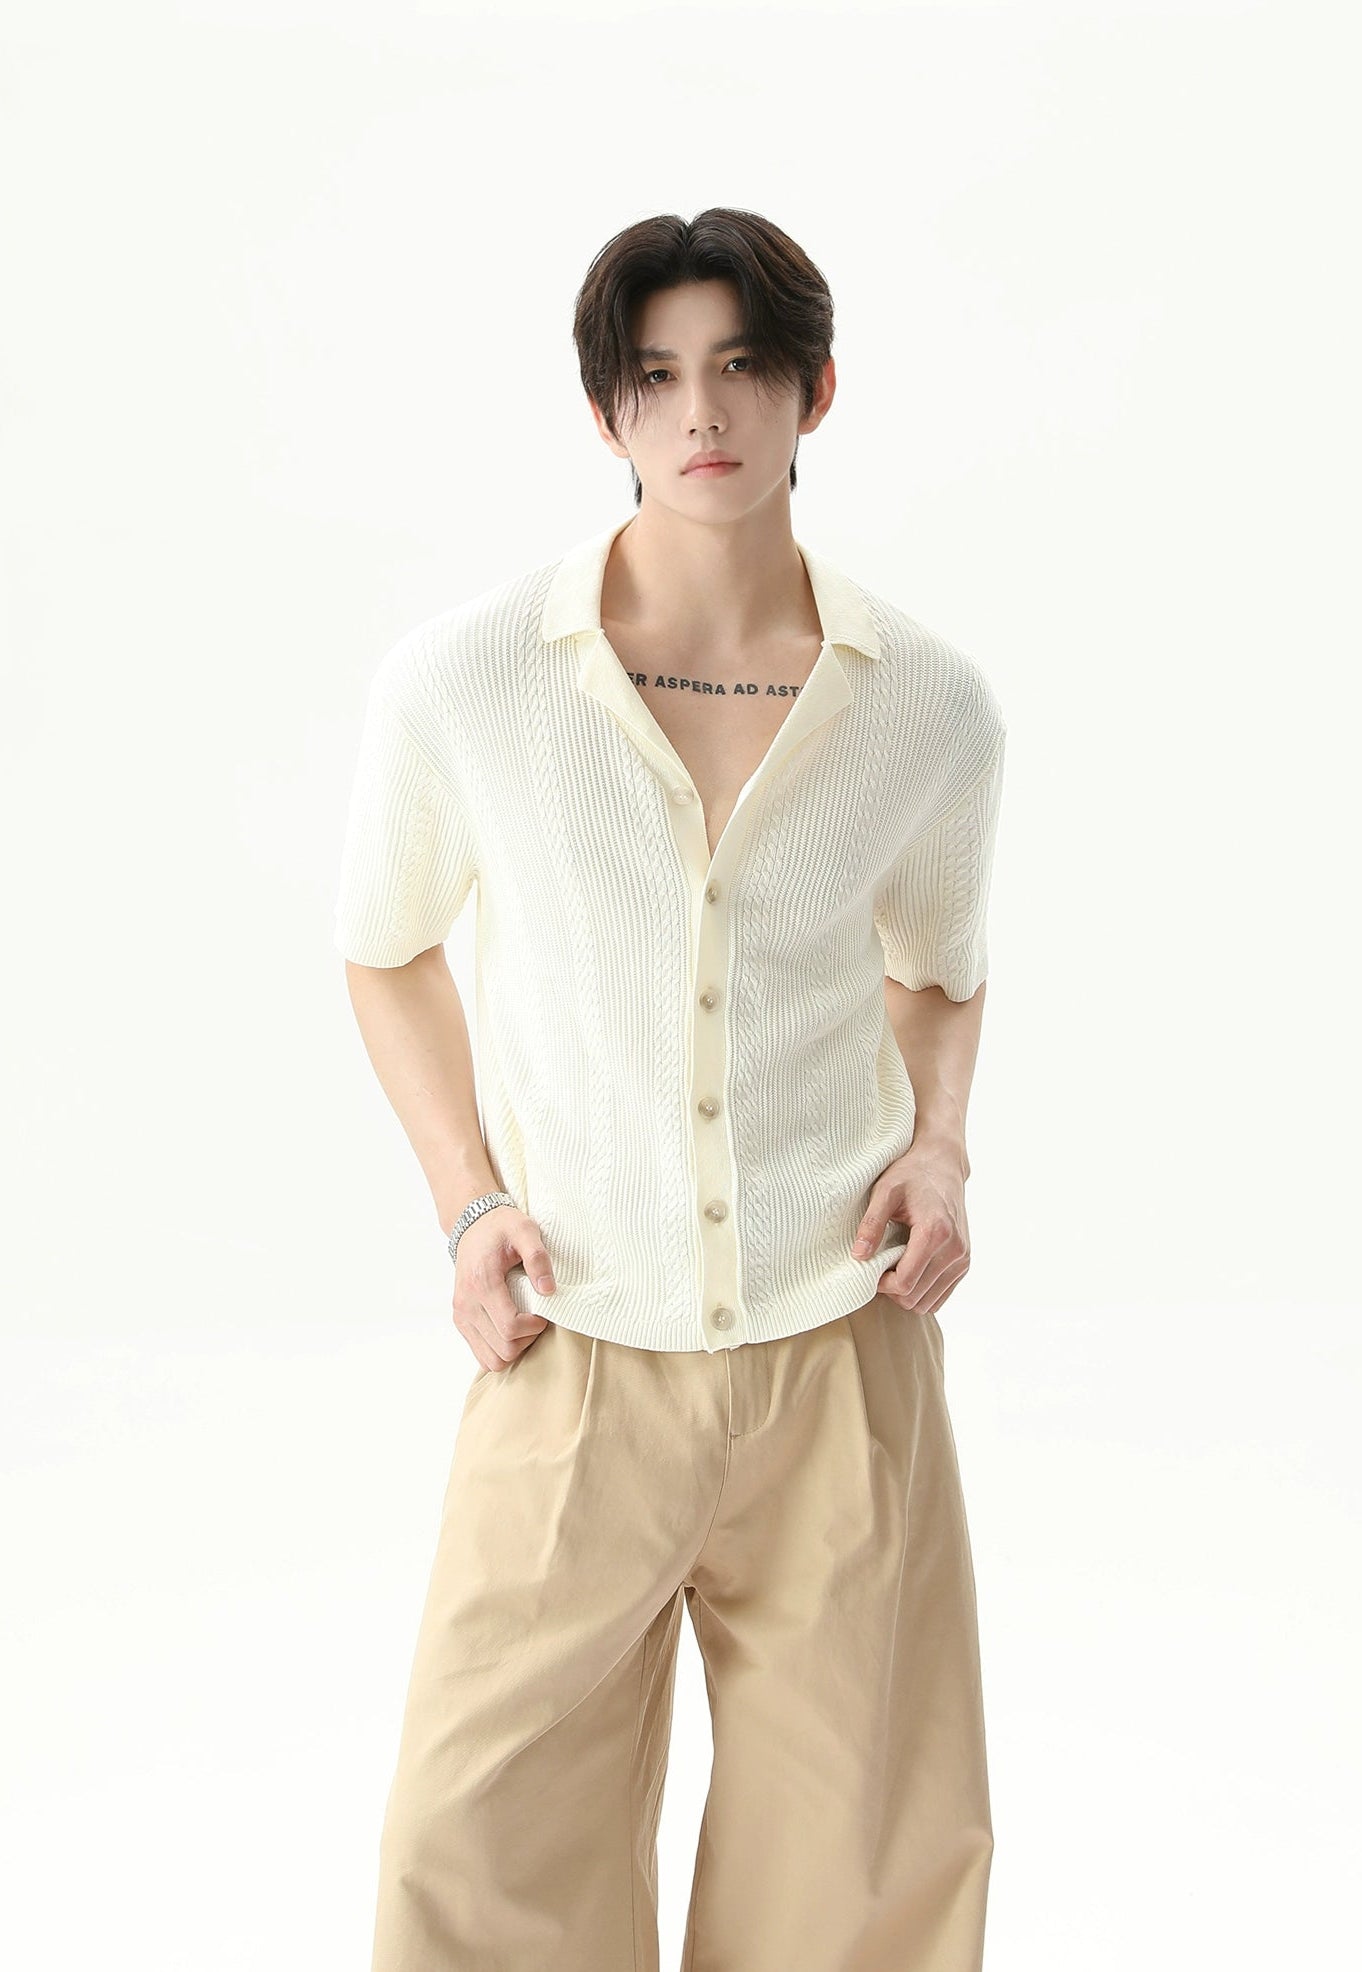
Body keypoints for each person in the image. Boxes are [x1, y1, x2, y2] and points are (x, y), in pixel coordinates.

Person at [334, 206, 1008, 1972]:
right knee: (469, 1854)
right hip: (570, 1354)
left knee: (854, 1886)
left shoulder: (930, 707)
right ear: (604, 415)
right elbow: (386, 951)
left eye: (741, 366)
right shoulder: (471, 679)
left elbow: (939, 971)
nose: (699, 412)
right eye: (652, 378)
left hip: (840, 1359)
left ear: (814, 392)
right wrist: (467, 1201)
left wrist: (939, 1150)